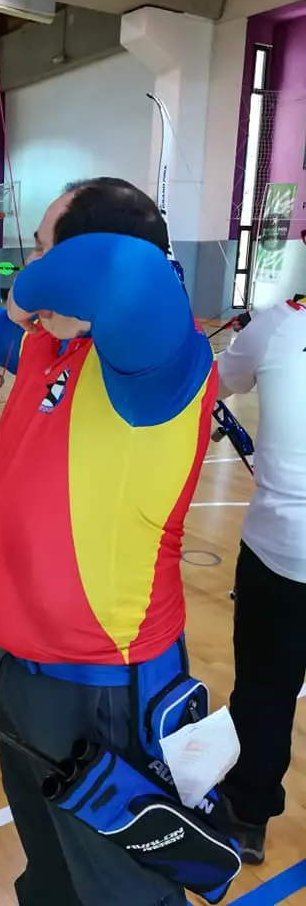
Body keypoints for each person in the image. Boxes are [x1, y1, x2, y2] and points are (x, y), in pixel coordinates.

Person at [0, 177, 217, 905]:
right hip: (19, 671)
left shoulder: (158, 366)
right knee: (51, 868)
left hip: (105, 689)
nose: (29, 261)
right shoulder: (48, 351)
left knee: (122, 890)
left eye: (43, 247)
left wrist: (26, 289)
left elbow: (130, 269)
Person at [217, 298, 306, 865]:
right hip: (282, 552)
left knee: (265, 690)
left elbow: (214, 384)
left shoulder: (281, 324)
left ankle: (247, 816)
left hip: (280, 557)